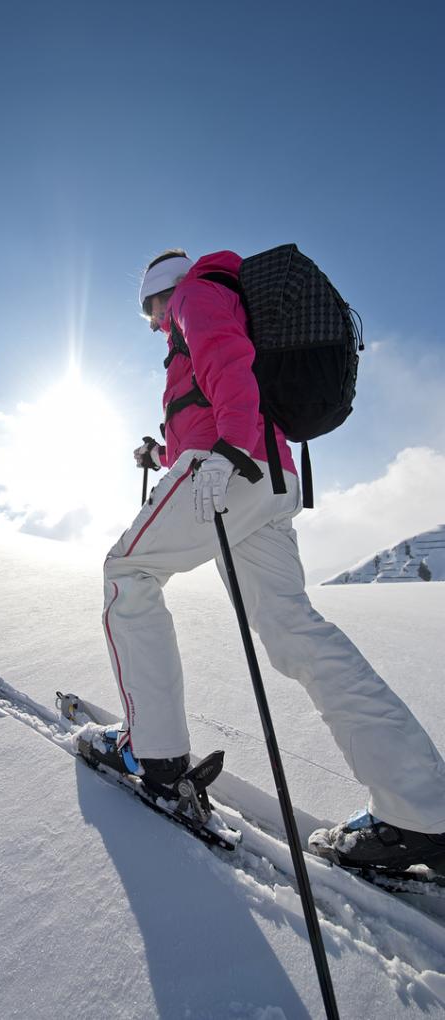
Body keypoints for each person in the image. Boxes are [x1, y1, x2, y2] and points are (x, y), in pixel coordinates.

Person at [88, 247, 445, 871]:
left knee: (128, 572)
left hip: (228, 465)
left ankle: (154, 757)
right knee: (296, 632)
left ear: (163, 291)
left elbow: (228, 361)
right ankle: (422, 812)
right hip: (269, 476)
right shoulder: (219, 297)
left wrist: (224, 447)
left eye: (147, 308)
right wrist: (162, 453)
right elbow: (210, 389)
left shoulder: (196, 295)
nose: (150, 324)